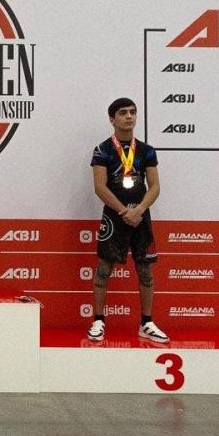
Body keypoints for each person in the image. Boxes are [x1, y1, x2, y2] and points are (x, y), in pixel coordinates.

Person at [87, 97, 169, 343]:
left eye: (132, 112)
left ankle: (146, 323)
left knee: (145, 271)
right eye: (123, 112)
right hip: (115, 217)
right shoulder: (102, 150)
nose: (129, 116)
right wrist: (125, 212)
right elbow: (100, 187)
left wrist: (139, 209)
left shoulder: (146, 150)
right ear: (112, 119)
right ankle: (98, 320)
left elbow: (155, 186)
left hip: (141, 217)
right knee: (103, 270)